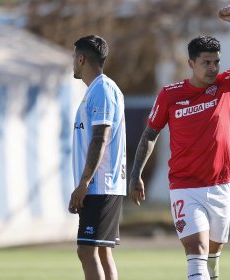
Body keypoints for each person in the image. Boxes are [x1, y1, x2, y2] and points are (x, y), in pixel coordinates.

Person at [129, 5, 230, 280]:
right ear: (191, 63)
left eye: (216, 62)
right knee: (196, 250)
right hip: (185, 186)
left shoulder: (227, 85)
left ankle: (212, 270)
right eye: (206, 62)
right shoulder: (170, 95)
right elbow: (150, 134)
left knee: (213, 253)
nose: (213, 68)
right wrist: (135, 174)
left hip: (222, 185)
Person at [69, 35, 127, 280]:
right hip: (103, 185)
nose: (73, 62)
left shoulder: (102, 89)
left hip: (100, 185)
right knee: (102, 252)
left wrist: (83, 183)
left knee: (86, 251)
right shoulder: (98, 89)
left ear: (81, 59)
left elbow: (99, 139)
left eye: (74, 58)